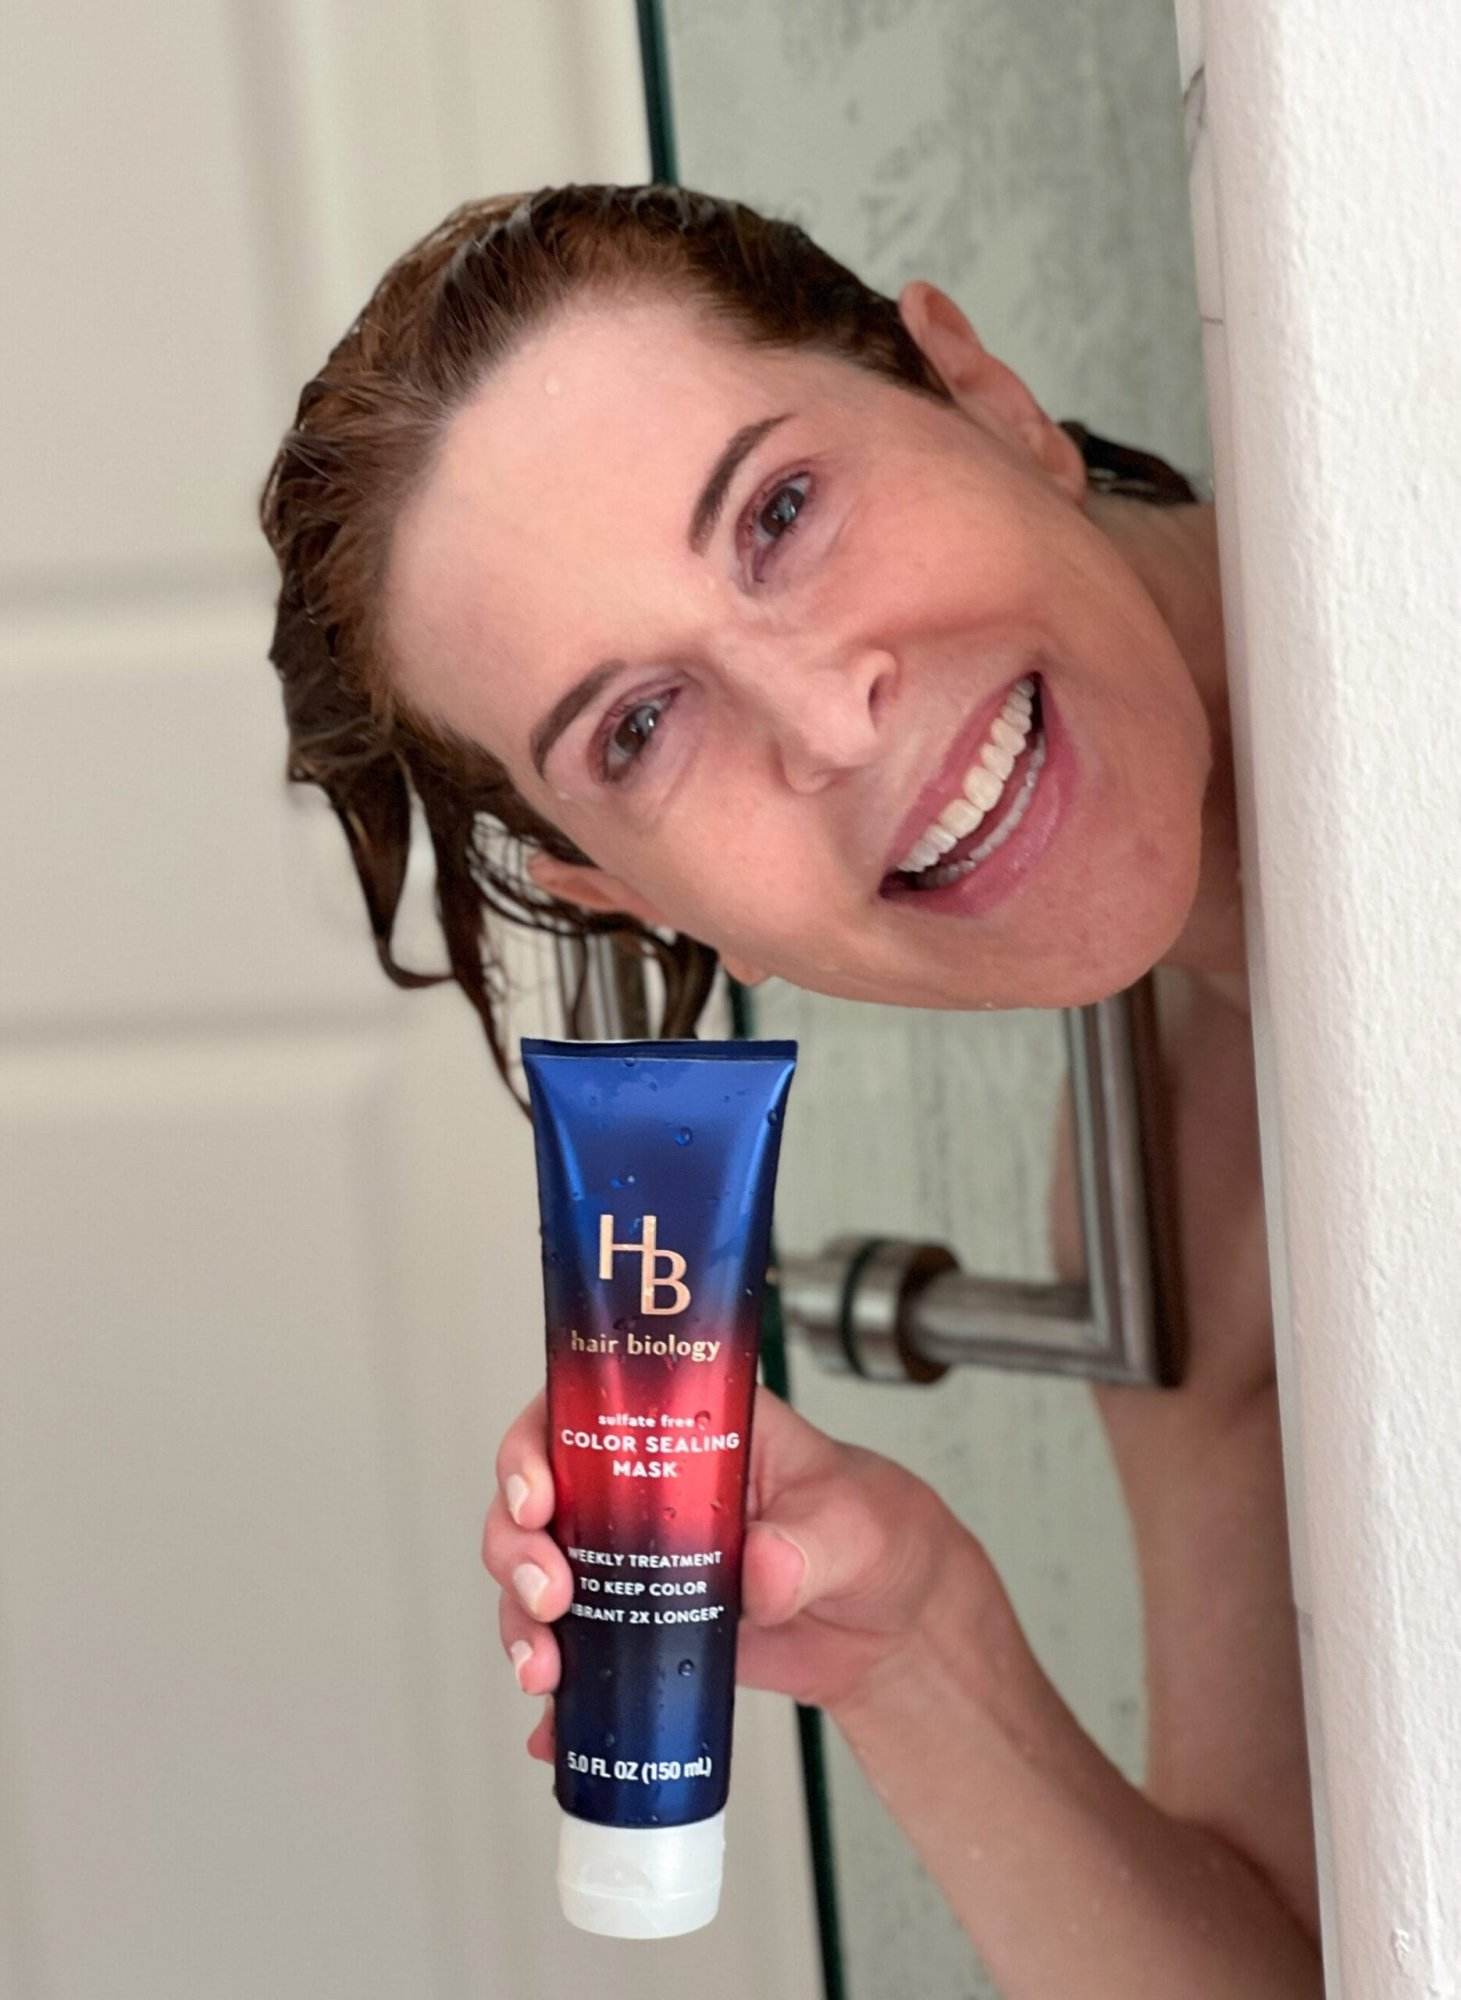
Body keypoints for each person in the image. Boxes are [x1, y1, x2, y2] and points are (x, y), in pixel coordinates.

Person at [260, 184, 1322, 1996]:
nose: (828, 728)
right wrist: (912, 1649)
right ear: (624, 894)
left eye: (782, 512)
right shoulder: (1195, 1206)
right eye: (640, 730)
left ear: (982, 398)